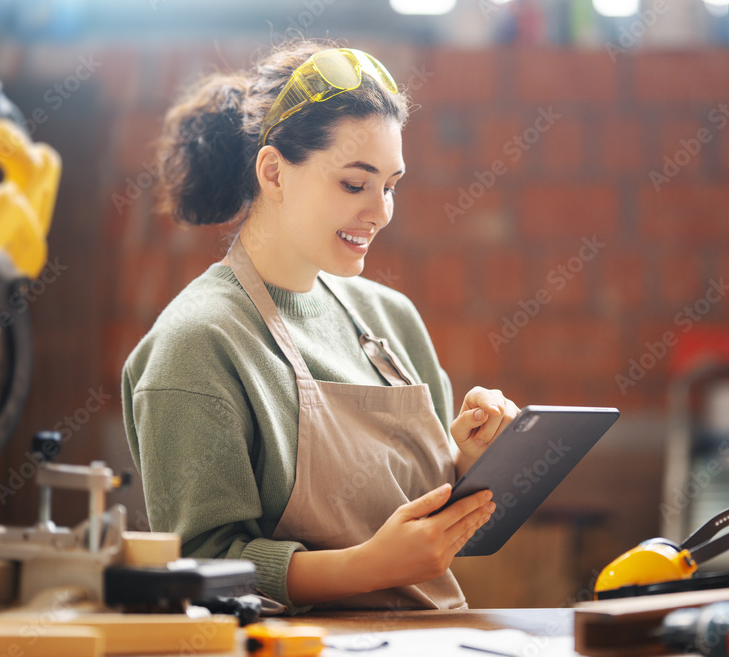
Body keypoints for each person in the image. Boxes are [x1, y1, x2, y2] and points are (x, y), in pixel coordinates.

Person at [121, 40, 519, 614]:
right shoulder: (198, 344)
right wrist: (367, 567)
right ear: (274, 172)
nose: (380, 211)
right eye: (355, 184)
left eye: (391, 185)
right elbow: (203, 564)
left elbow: (431, 524)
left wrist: (471, 460)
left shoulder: (391, 319)